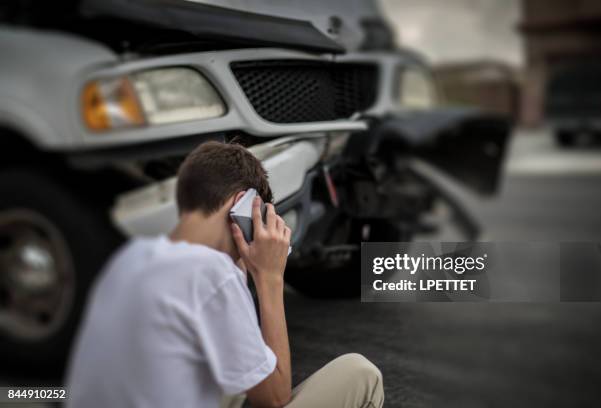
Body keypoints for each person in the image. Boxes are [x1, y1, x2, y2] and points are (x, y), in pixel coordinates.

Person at [65, 141, 384, 408]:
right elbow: (274, 397)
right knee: (361, 373)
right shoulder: (209, 272)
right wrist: (271, 278)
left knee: (231, 370)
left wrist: (243, 264)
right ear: (243, 206)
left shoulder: (131, 259)